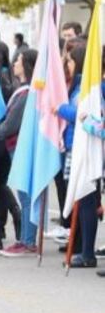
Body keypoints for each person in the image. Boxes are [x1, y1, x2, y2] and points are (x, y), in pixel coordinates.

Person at [0, 49, 39, 257]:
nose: (14, 63)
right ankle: (26, 239)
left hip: (20, 146)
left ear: (27, 65)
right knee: (24, 194)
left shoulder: (27, 93)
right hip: (15, 146)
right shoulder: (22, 90)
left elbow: (11, 124)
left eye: (18, 60)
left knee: (26, 195)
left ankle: (27, 241)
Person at [55, 45, 99, 268]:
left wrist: (60, 108)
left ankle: (87, 251)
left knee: (86, 198)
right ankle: (83, 248)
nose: (68, 65)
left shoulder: (91, 86)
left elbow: (85, 116)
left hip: (88, 148)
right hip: (81, 145)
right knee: (82, 199)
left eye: (71, 61)